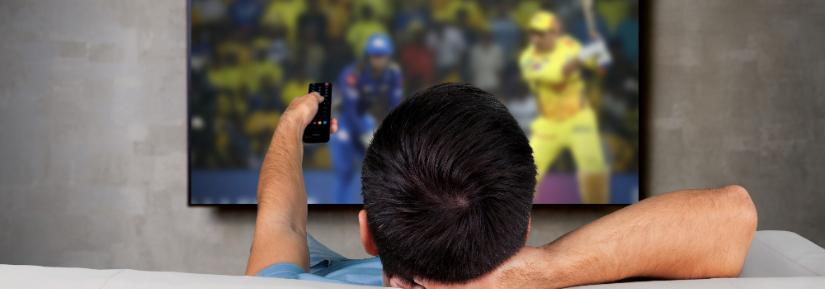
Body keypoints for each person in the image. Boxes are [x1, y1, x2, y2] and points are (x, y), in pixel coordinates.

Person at [245, 83, 757, 288]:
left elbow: (281, 216)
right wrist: (549, 267)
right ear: (526, 224)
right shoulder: (563, 278)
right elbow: (733, 216)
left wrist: (294, 121)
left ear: (368, 234)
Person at [519, 10, 612, 204]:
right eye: (532, 33)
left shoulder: (570, 45)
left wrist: (600, 50)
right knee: (527, 168)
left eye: (541, 34)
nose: (535, 38)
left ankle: (598, 211)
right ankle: (516, 214)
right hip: (549, 123)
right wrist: (584, 54)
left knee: (594, 165)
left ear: (554, 33)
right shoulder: (528, 58)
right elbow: (557, 74)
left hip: (578, 117)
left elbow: (601, 69)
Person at [329, 33, 403, 203]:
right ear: (368, 56)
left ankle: (378, 209)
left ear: (389, 56)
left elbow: (394, 105)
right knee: (345, 171)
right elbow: (349, 109)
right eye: (375, 56)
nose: (379, 60)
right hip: (344, 121)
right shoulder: (352, 74)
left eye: (382, 56)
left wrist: (388, 131)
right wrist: (366, 133)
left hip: (365, 119)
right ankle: (339, 210)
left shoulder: (393, 73)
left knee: (380, 166)